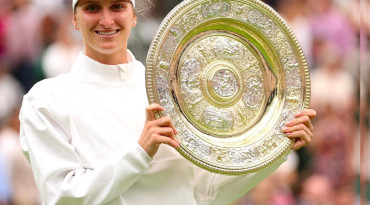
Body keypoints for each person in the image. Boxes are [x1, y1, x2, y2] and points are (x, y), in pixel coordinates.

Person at [19, 0, 316, 204]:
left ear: (134, 15)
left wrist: (278, 146)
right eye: (92, 7)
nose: (106, 19)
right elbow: (63, 197)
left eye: (117, 6)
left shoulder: (173, 89)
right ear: (74, 18)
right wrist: (140, 152)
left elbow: (205, 193)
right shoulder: (46, 100)